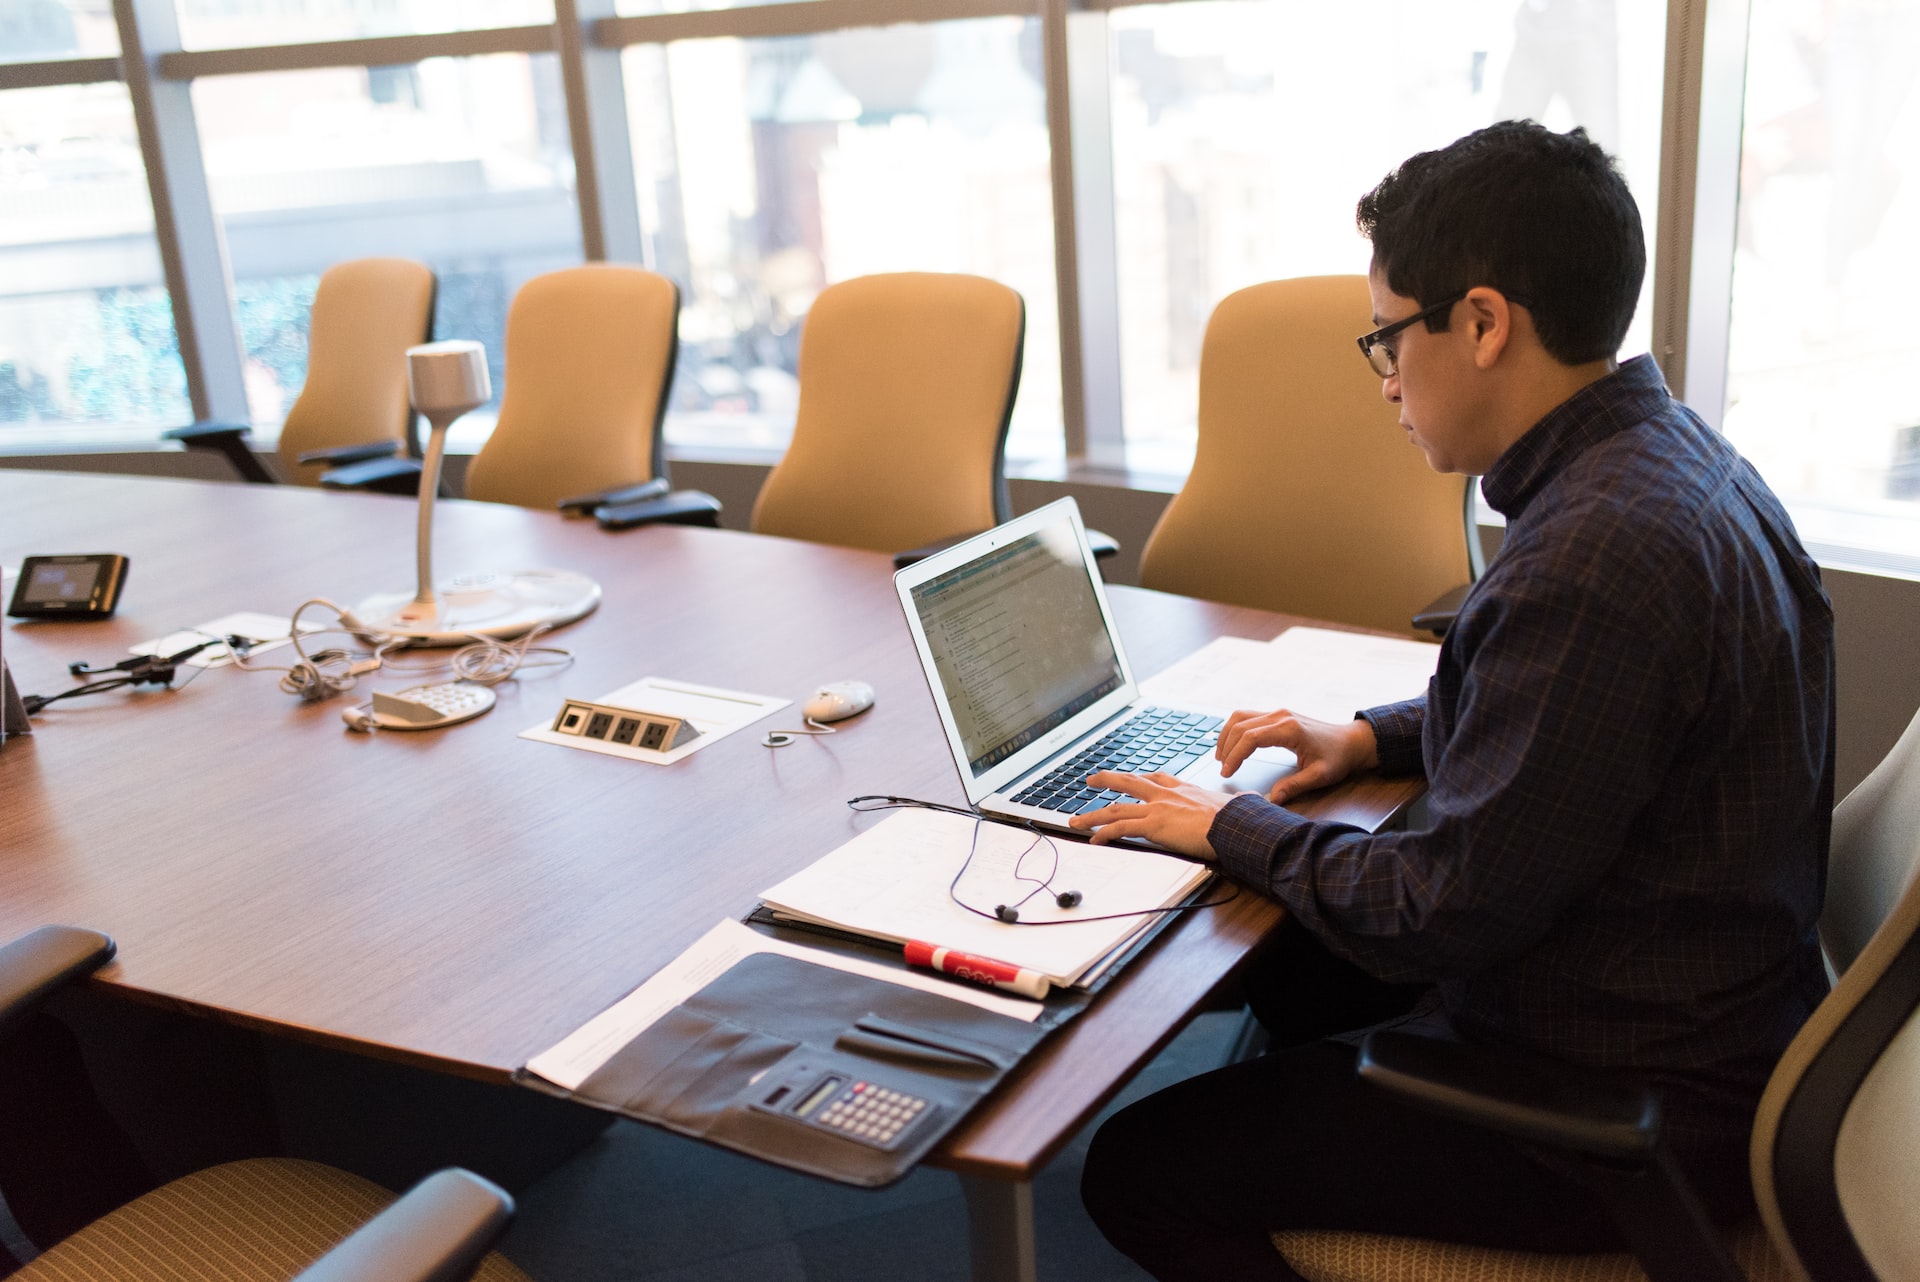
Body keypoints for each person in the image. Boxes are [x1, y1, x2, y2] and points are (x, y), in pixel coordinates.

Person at [1071, 120, 1834, 1281]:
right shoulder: (1673, 467)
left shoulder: (1594, 557)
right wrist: (1372, 734)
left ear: (1481, 324)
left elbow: (1441, 909)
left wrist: (1232, 824)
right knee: (1279, 954)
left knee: (1138, 1165)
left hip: (1616, 1101)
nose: (1383, 381)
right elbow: (1581, 724)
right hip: (1696, 1008)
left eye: (1386, 339)